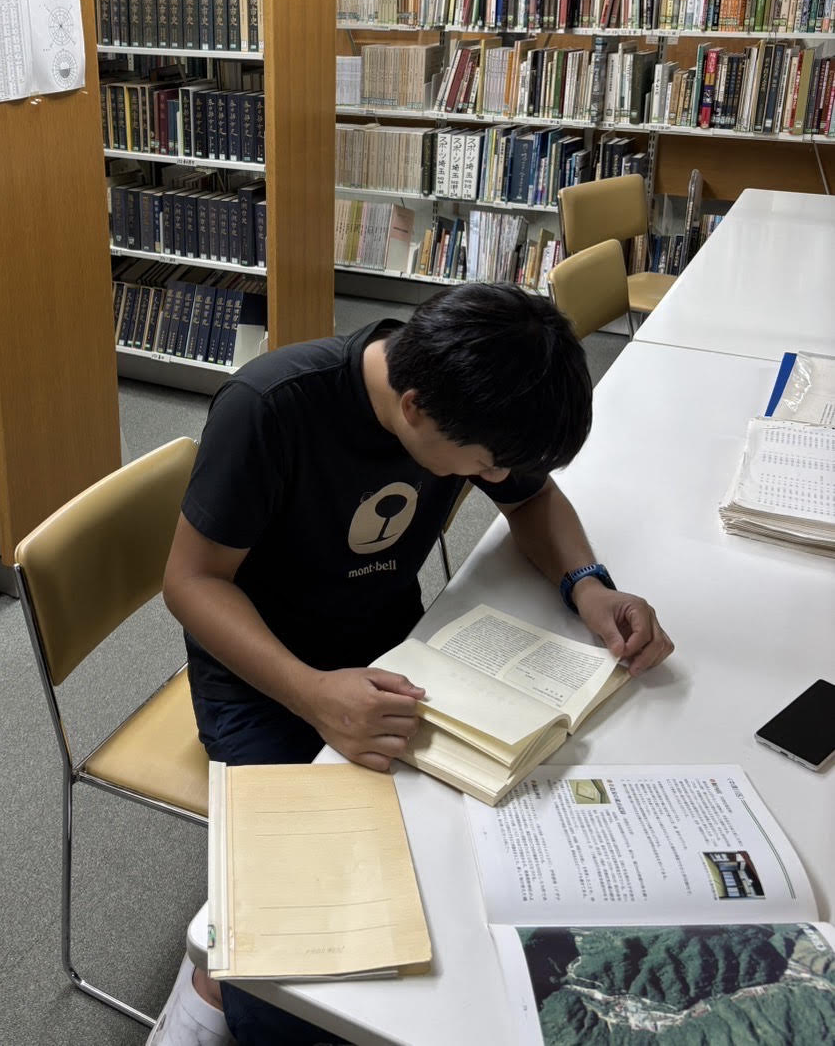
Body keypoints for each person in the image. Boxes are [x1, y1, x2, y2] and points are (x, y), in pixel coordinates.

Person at [147, 285, 674, 1046]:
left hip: (395, 646)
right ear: (415, 408)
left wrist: (588, 586)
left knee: (460, 866)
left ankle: (224, 955)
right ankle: (207, 984)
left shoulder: (469, 390)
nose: (496, 479)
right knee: (291, 980)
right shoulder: (271, 407)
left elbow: (533, 499)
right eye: (485, 465)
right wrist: (313, 694)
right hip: (264, 675)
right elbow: (191, 583)